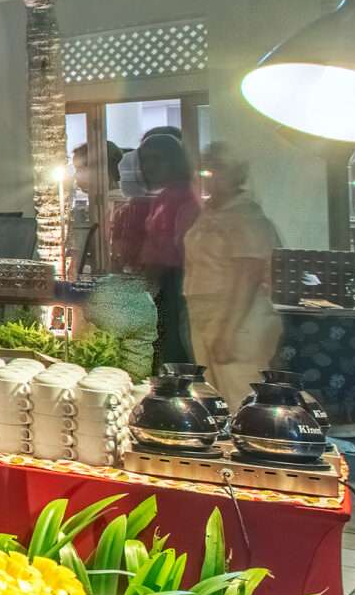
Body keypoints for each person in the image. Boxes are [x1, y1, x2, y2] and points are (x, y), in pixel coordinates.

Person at [182, 145, 283, 409]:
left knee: (240, 392)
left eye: (220, 167)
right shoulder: (211, 211)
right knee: (216, 396)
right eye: (207, 167)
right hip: (207, 312)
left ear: (239, 173)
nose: (211, 174)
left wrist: (229, 330)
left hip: (238, 315)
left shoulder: (247, 215)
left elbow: (249, 276)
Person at [111, 128, 199, 364]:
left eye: (157, 159)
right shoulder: (164, 196)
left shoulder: (182, 199)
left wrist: (145, 282)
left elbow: (174, 251)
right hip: (161, 282)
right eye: (145, 160)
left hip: (174, 284)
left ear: (174, 161)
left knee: (170, 352)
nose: (149, 166)